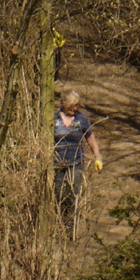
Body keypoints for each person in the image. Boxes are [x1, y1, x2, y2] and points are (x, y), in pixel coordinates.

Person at [50, 90, 103, 225]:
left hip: (76, 162)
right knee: (58, 194)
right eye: (73, 105)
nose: (75, 108)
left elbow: (90, 138)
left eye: (77, 105)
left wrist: (98, 157)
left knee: (73, 193)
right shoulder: (53, 118)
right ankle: (59, 223)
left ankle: (70, 225)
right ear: (65, 104)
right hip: (57, 163)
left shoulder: (82, 119)